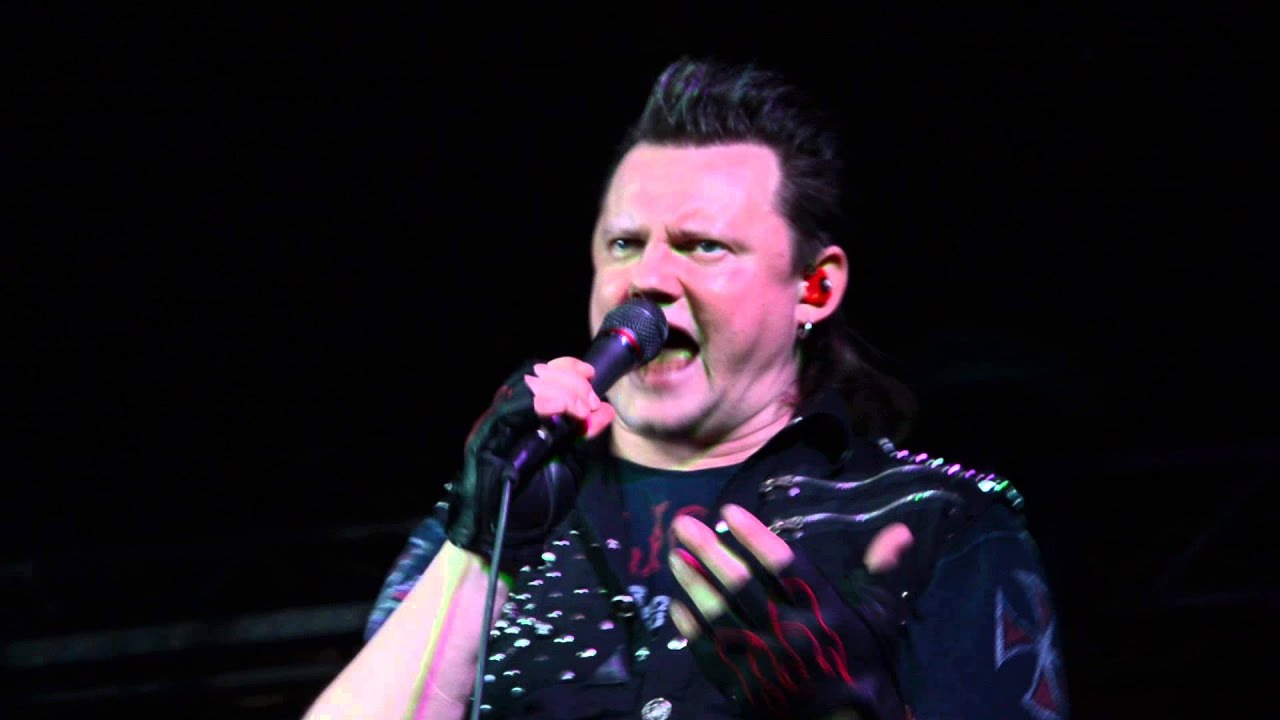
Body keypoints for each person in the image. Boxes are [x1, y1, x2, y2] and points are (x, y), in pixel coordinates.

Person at [306, 57, 1068, 720]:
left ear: (814, 286)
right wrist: (481, 553)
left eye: (703, 246)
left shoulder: (936, 522)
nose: (648, 277)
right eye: (625, 243)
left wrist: (845, 712)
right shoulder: (503, 516)